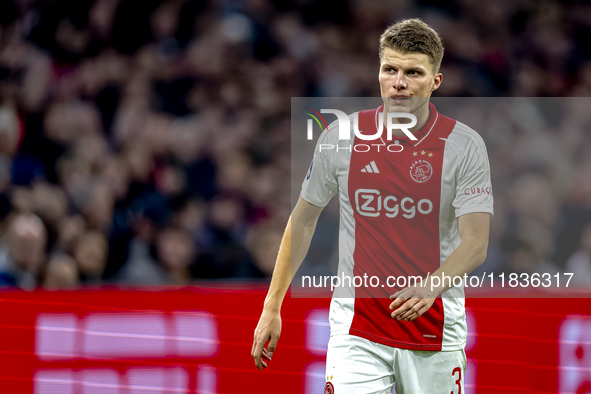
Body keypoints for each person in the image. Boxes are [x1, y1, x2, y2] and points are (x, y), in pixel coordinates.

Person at [251, 18, 493, 393]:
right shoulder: (340, 137)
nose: (399, 82)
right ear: (378, 73)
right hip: (357, 332)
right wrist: (272, 306)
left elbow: (476, 243)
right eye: (389, 69)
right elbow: (302, 220)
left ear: (435, 81)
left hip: (435, 331)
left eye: (413, 72)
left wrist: (432, 286)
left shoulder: (464, 145)